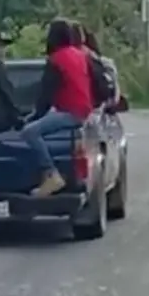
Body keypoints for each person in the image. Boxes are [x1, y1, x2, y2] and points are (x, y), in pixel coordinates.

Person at [20, 18, 93, 196]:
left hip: (70, 112)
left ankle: (52, 175)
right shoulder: (79, 55)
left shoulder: (56, 60)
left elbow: (47, 94)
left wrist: (34, 117)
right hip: (82, 109)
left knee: (29, 132)